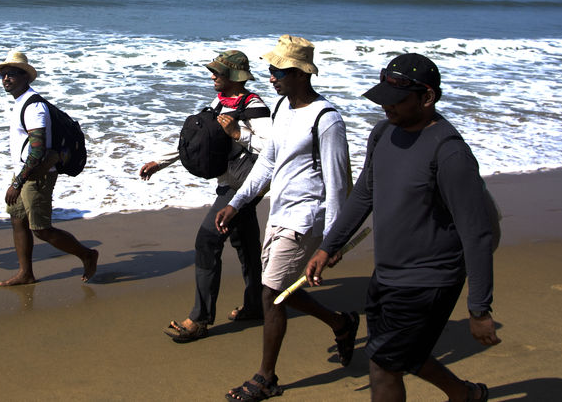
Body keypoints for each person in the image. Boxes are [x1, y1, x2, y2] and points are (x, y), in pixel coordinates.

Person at [307, 53, 500, 402]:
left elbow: (477, 234)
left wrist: (479, 308)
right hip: (387, 275)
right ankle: (464, 395)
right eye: (383, 99)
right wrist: (328, 246)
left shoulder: (450, 153)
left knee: (383, 363)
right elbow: (365, 193)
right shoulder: (383, 133)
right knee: (400, 354)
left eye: (396, 100)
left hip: (429, 281)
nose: (386, 108)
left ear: (427, 98)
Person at [215, 35, 356, 402]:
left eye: (278, 70)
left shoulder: (326, 120)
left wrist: (332, 242)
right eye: (271, 69)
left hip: (308, 217)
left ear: (299, 73)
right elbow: (268, 163)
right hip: (280, 212)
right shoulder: (281, 108)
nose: (271, 76)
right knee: (279, 289)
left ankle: (266, 378)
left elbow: (338, 183)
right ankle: (340, 322)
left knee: (272, 294)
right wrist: (239, 202)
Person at [140, 50, 272, 342]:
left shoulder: (255, 106)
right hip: (231, 183)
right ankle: (255, 305)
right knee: (246, 244)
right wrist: (160, 162)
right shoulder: (221, 102)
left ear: (234, 77)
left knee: (207, 240)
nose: (212, 76)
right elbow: (203, 136)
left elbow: (273, 148)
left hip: (243, 187)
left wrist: (240, 134)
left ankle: (200, 319)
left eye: (218, 72)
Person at [0, 49, 99, 286]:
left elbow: (38, 150)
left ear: (26, 78)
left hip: (36, 175)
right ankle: (26, 273)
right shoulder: (20, 102)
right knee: (17, 220)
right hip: (24, 171)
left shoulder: (33, 107)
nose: (6, 78)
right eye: (3, 74)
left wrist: (17, 182)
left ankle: (87, 254)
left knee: (41, 229)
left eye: (12, 74)